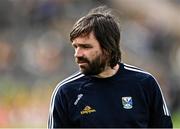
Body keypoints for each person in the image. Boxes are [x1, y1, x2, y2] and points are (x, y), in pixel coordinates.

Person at [48, 6, 173, 128]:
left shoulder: (145, 83)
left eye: (86, 47)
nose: (78, 54)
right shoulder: (66, 92)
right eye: (76, 47)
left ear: (107, 48)